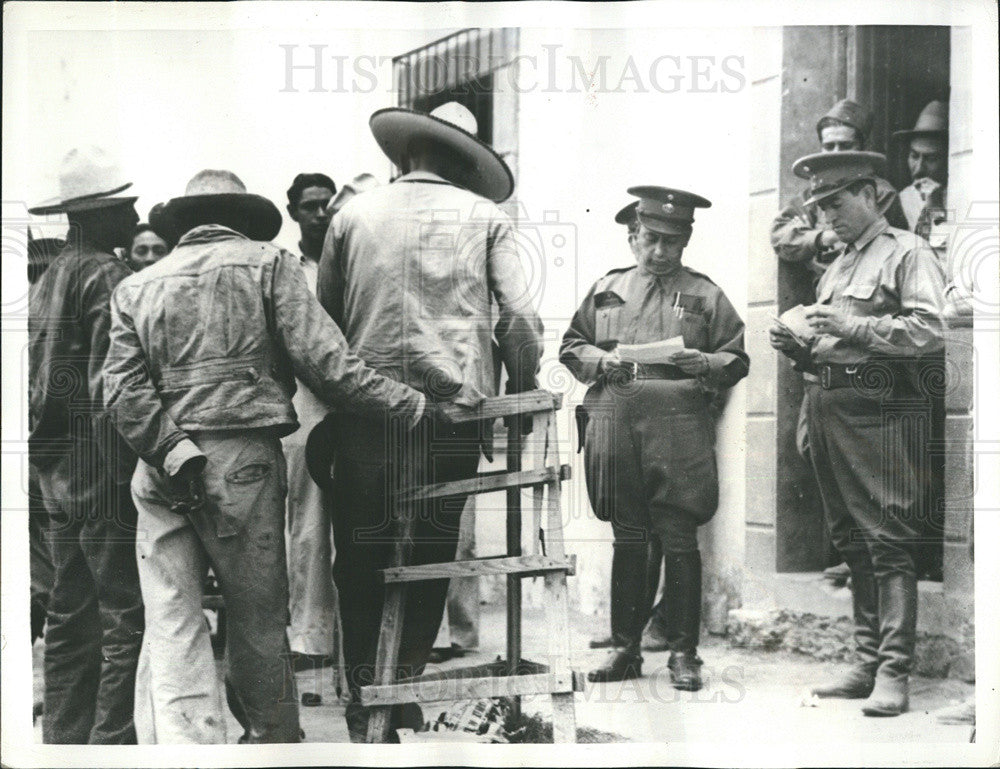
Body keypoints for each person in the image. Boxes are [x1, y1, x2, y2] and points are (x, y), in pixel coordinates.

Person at [103, 169, 443, 744]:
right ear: (243, 217)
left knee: (172, 621)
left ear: (181, 224)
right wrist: (414, 405)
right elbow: (331, 368)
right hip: (240, 463)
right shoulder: (270, 264)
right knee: (257, 618)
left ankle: (190, 750)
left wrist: (173, 448)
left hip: (160, 463)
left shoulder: (138, 285)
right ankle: (272, 742)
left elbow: (120, 391)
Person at [317, 101, 544, 741]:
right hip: (454, 414)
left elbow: (324, 325)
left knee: (360, 553)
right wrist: (519, 395)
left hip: (369, 411)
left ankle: (368, 693)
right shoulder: (487, 216)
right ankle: (404, 678)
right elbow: (519, 320)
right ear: (464, 163)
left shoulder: (352, 216)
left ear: (406, 153)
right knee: (430, 548)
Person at [769, 151, 946, 716]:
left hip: (880, 408)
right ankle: (866, 661)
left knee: (889, 539)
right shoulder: (840, 262)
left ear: (870, 195)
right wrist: (799, 344)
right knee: (849, 539)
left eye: (837, 203)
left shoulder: (906, 251)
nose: (828, 217)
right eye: (819, 207)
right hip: (827, 404)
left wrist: (853, 326)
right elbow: (832, 338)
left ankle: (895, 672)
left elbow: (931, 331)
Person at [561, 186, 749, 688]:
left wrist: (706, 362)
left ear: (685, 240)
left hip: (678, 430)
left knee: (679, 538)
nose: (661, 251)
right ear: (633, 237)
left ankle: (684, 654)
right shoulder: (607, 287)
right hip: (616, 424)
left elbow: (736, 357)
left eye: (672, 241)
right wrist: (601, 360)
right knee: (628, 537)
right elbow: (572, 345)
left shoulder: (707, 294)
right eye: (651, 239)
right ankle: (625, 649)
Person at [28, 146, 144, 743]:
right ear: (93, 215)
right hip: (100, 464)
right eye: (124, 206)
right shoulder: (107, 275)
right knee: (124, 612)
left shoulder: (49, 277)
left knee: (69, 613)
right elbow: (111, 385)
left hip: (56, 467)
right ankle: (110, 742)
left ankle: (65, 739)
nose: (135, 213)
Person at [771, 99, 907, 587]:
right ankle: (857, 569)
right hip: (826, 372)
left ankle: (887, 652)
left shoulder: (888, 217)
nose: (828, 212)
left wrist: (822, 237)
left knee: (885, 509)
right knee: (813, 451)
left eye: (843, 146)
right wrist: (798, 345)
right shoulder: (832, 244)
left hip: (871, 376)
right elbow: (782, 235)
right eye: (826, 145)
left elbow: (919, 324)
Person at [280, 172, 340, 701]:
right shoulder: (284, 269)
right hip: (303, 408)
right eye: (310, 207)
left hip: (354, 404)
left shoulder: (352, 257)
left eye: (327, 205)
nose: (319, 214)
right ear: (294, 211)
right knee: (307, 526)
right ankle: (311, 637)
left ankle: (356, 644)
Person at [892, 100, 948, 240]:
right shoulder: (904, 199)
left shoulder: (961, 197)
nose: (919, 169)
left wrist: (935, 207)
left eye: (931, 159)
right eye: (914, 156)